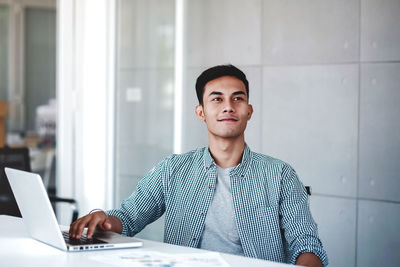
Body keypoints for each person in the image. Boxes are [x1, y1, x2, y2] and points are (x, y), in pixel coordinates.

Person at [69, 65, 328, 267]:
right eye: (217, 99)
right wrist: (102, 219)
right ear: (200, 112)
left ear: (249, 111)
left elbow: (307, 246)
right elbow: (126, 219)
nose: (228, 106)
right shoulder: (172, 170)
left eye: (237, 98)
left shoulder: (280, 175)